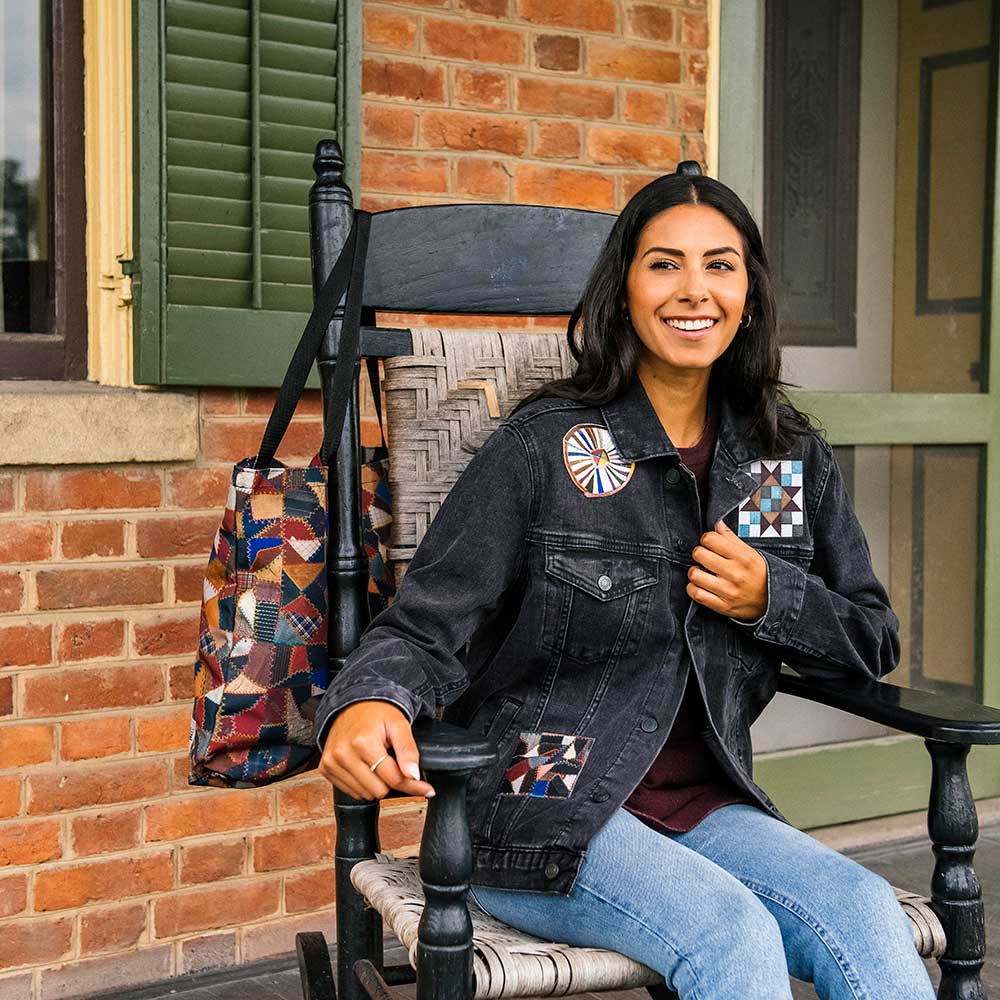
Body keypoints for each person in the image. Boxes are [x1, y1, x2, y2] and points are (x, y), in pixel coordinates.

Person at [314, 165, 936, 999]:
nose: (695, 290)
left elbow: (871, 639)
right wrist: (369, 701)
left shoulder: (780, 463)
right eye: (664, 263)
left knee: (864, 910)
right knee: (731, 932)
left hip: (708, 804)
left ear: (749, 291)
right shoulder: (546, 447)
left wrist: (773, 599)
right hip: (543, 789)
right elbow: (425, 624)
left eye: (720, 265)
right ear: (626, 289)